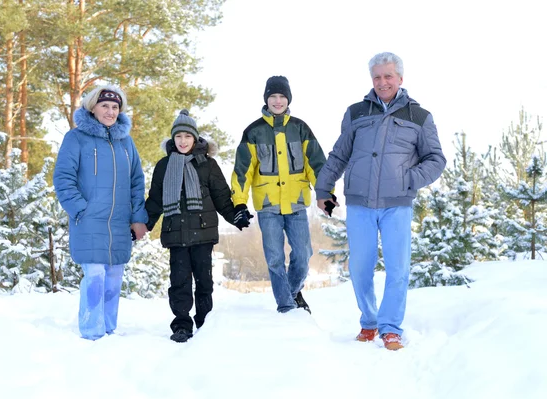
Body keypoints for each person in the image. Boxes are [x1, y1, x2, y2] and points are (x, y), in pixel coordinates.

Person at [315, 52, 446, 350]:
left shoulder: (419, 116)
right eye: (377, 77)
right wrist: (324, 189)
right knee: (360, 267)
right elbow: (339, 154)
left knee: (398, 268)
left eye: (388, 76)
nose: (382, 82)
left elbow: (436, 159)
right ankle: (370, 321)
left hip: (397, 204)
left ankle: (391, 328)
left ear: (400, 78)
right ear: (371, 79)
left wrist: (409, 179)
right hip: (360, 202)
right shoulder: (356, 112)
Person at [145, 109, 250, 343]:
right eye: (178, 137)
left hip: (203, 232)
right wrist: (144, 224)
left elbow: (221, 196)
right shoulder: (163, 166)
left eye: (187, 137)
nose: (183, 141)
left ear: (195, 138)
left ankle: (204, 321)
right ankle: (182, 324)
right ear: (173, 139)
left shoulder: (208, 165)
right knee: (179, 282)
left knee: (204, 280)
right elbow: (155, 200)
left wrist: (236, 216)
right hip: (176, 233)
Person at [53, 85, 148, 340]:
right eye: (105, 105)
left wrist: (138, 218)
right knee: (94, 275)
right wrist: (80, 210)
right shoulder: (76, 138)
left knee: (114, 276)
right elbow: (63, 178)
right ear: (92, 107)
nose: (110, 111)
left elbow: (137, 181)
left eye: (115, 107)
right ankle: (91, 332)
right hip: (89, 219)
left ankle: (108, 329)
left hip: (119, 222)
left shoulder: (126, 142)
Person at [231, 76, 328, 314]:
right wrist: (239, 204)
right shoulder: (253, 131)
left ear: (288, 99)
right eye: (272, 96)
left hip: (296, 203)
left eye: (282, 96)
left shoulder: (300, 128)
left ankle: (292, 293)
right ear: (266, 99)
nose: (277, 101)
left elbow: (316, 164)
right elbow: (243, 171)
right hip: (268, 206)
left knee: (303, 255)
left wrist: (325, 193)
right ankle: (286, 306)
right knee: (275, 259)